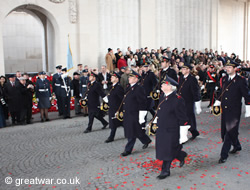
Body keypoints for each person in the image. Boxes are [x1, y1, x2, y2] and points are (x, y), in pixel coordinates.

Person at [213, 61, 250, 163]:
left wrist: (248, 107)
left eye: (229, 67)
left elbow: (246, 94)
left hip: (234, 110)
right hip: (225, 109)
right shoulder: (224, 79)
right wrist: (217, 101)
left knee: (228, 133)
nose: (227, 69)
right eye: (227, 67)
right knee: (224, 131)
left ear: (235, 69)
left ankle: (223, 155)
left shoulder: (241, 80)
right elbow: (222, 91)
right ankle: (237, 145)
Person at [154, 75, 190, 179]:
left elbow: (183, 117)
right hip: (162, 127)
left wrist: (183, 134)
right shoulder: (163, 96)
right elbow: (161, 110)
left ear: (170, 87)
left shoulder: (177, 99)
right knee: (167, 149)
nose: (161, 85)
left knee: (167, 150)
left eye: (164, 84)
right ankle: (181, 155)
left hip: (171, 129)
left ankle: (165, 171)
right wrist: (156, 120)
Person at [120, 70, 152, 156]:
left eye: (131, 77)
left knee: (131, 131)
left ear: (136, 79)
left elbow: (142, 102)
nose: (129, 78)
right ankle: (146, 140)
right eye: (129, 77)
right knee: (137, 130)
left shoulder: (139, 88)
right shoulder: (129, 87)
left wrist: (142, 116)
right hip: (128, 113)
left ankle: (128, 149)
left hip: (134, 114)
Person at [177, 63, 202, 140]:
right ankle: (188, 133)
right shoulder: (181, 77)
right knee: (182, 118)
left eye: (184, 69)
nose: (182, 70)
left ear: (188, 70)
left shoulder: (192, 79)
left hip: (189, 101)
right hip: (181, 101)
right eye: (182, 69)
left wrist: (198, 104)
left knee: (189, 117)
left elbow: (195, 91)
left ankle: (193, 131)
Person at [105, 72, 124, 143]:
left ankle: (111, 137)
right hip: (112, 108)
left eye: (113, 77)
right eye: (111, 77)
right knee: (114, 123)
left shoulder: (118, 87)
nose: (111, 78)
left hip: (117, 109)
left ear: (117, 79)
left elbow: (122, 99)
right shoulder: (111, 87)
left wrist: (121, 109)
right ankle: (111, 136)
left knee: (121, 123)